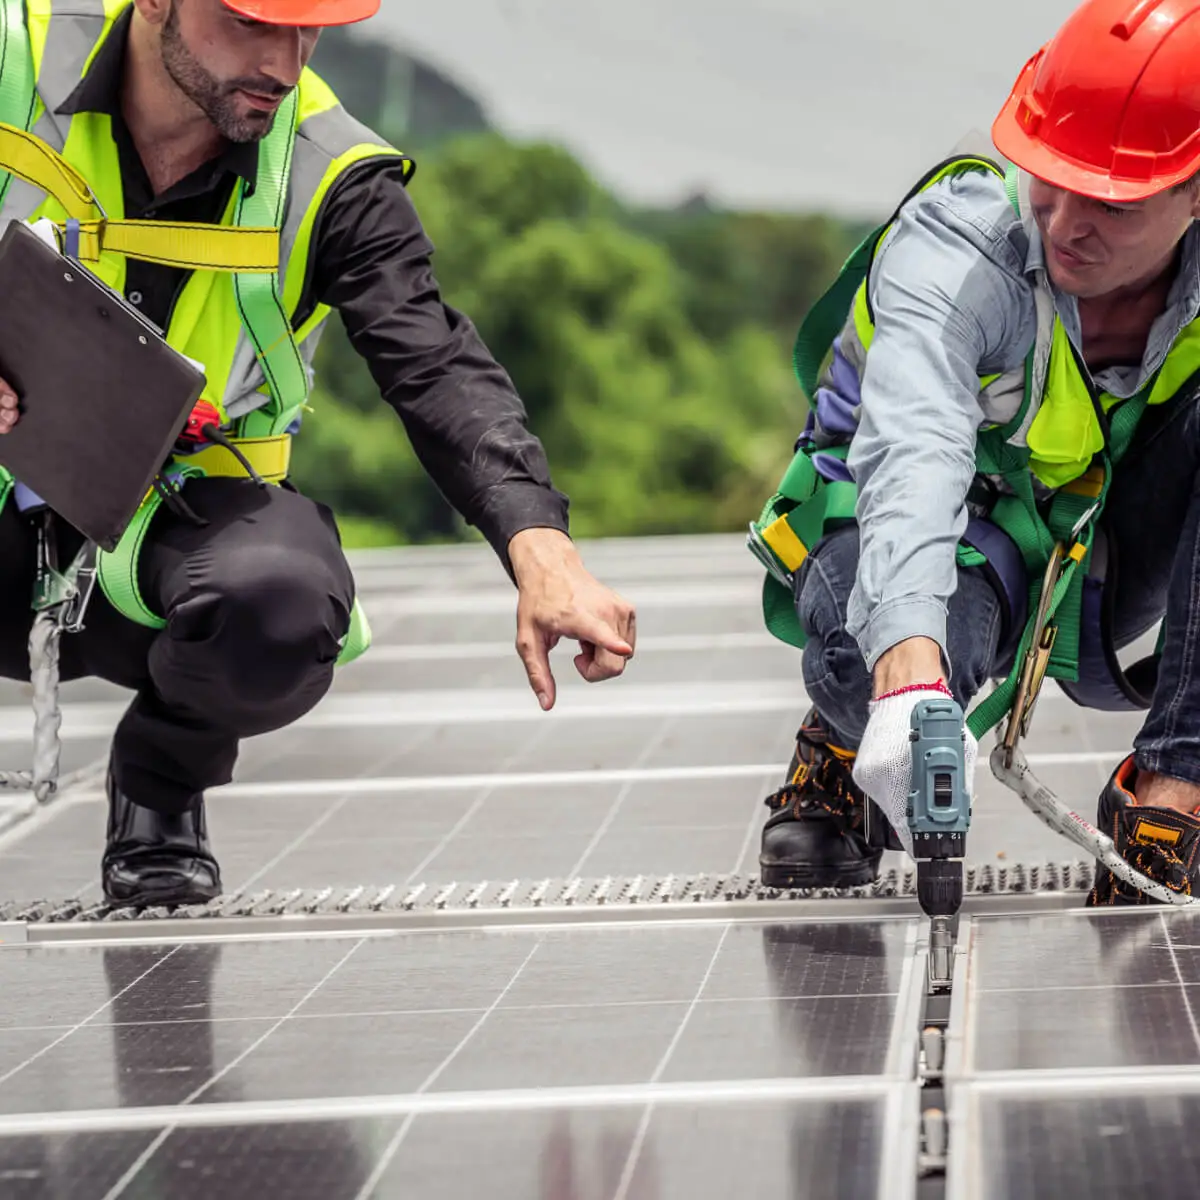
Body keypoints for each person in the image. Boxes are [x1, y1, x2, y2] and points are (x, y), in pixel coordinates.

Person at [0, 0, 637, 908]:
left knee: (281, 606)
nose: (286, 62)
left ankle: (160, 784)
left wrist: (544, 551)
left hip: (163, 535)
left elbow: (435, 361)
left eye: (309, 29)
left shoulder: (328, 168)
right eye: (253, 23)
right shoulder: (12, 63)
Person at [752, 0, 1200, 906]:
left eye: (1112, 199)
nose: (1066, 219)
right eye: (1049, 175)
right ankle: (845, 738)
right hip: (922, 531)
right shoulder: (958, 246)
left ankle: (1175, 791)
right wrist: (909, 670)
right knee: (875, 658)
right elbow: (914, 451)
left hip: (1098, 544)